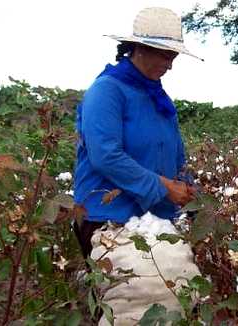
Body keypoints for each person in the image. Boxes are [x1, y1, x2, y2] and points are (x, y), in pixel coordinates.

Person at [73, 7, 199, 256]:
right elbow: (106, 156)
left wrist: (191, 191)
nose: (170, 66)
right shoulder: (107, 91)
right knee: (130, 293)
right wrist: (164, 187)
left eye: (173, 58)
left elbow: (177, 158)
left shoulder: (160, 98)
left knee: (167, 292)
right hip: (110, 219)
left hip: (156, 220)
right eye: (165, 57)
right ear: (140, 48)